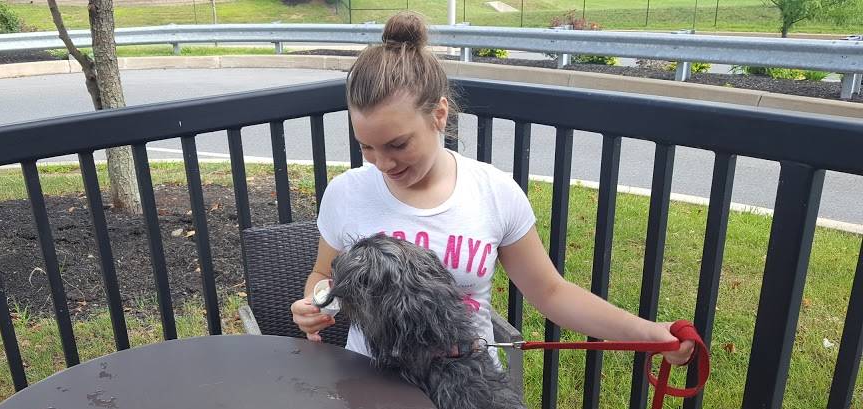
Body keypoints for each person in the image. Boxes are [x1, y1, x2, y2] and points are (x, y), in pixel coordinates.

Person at [290, 11, 693, 367]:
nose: (382, 163)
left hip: (468, 391)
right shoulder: (346, 192)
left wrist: (648, 333)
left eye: (398, 145)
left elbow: (551, 292)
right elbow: (323, 275)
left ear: (439, 115)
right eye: (367, 146)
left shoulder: (494, 192)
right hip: (370, 389)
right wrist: (313, 305)